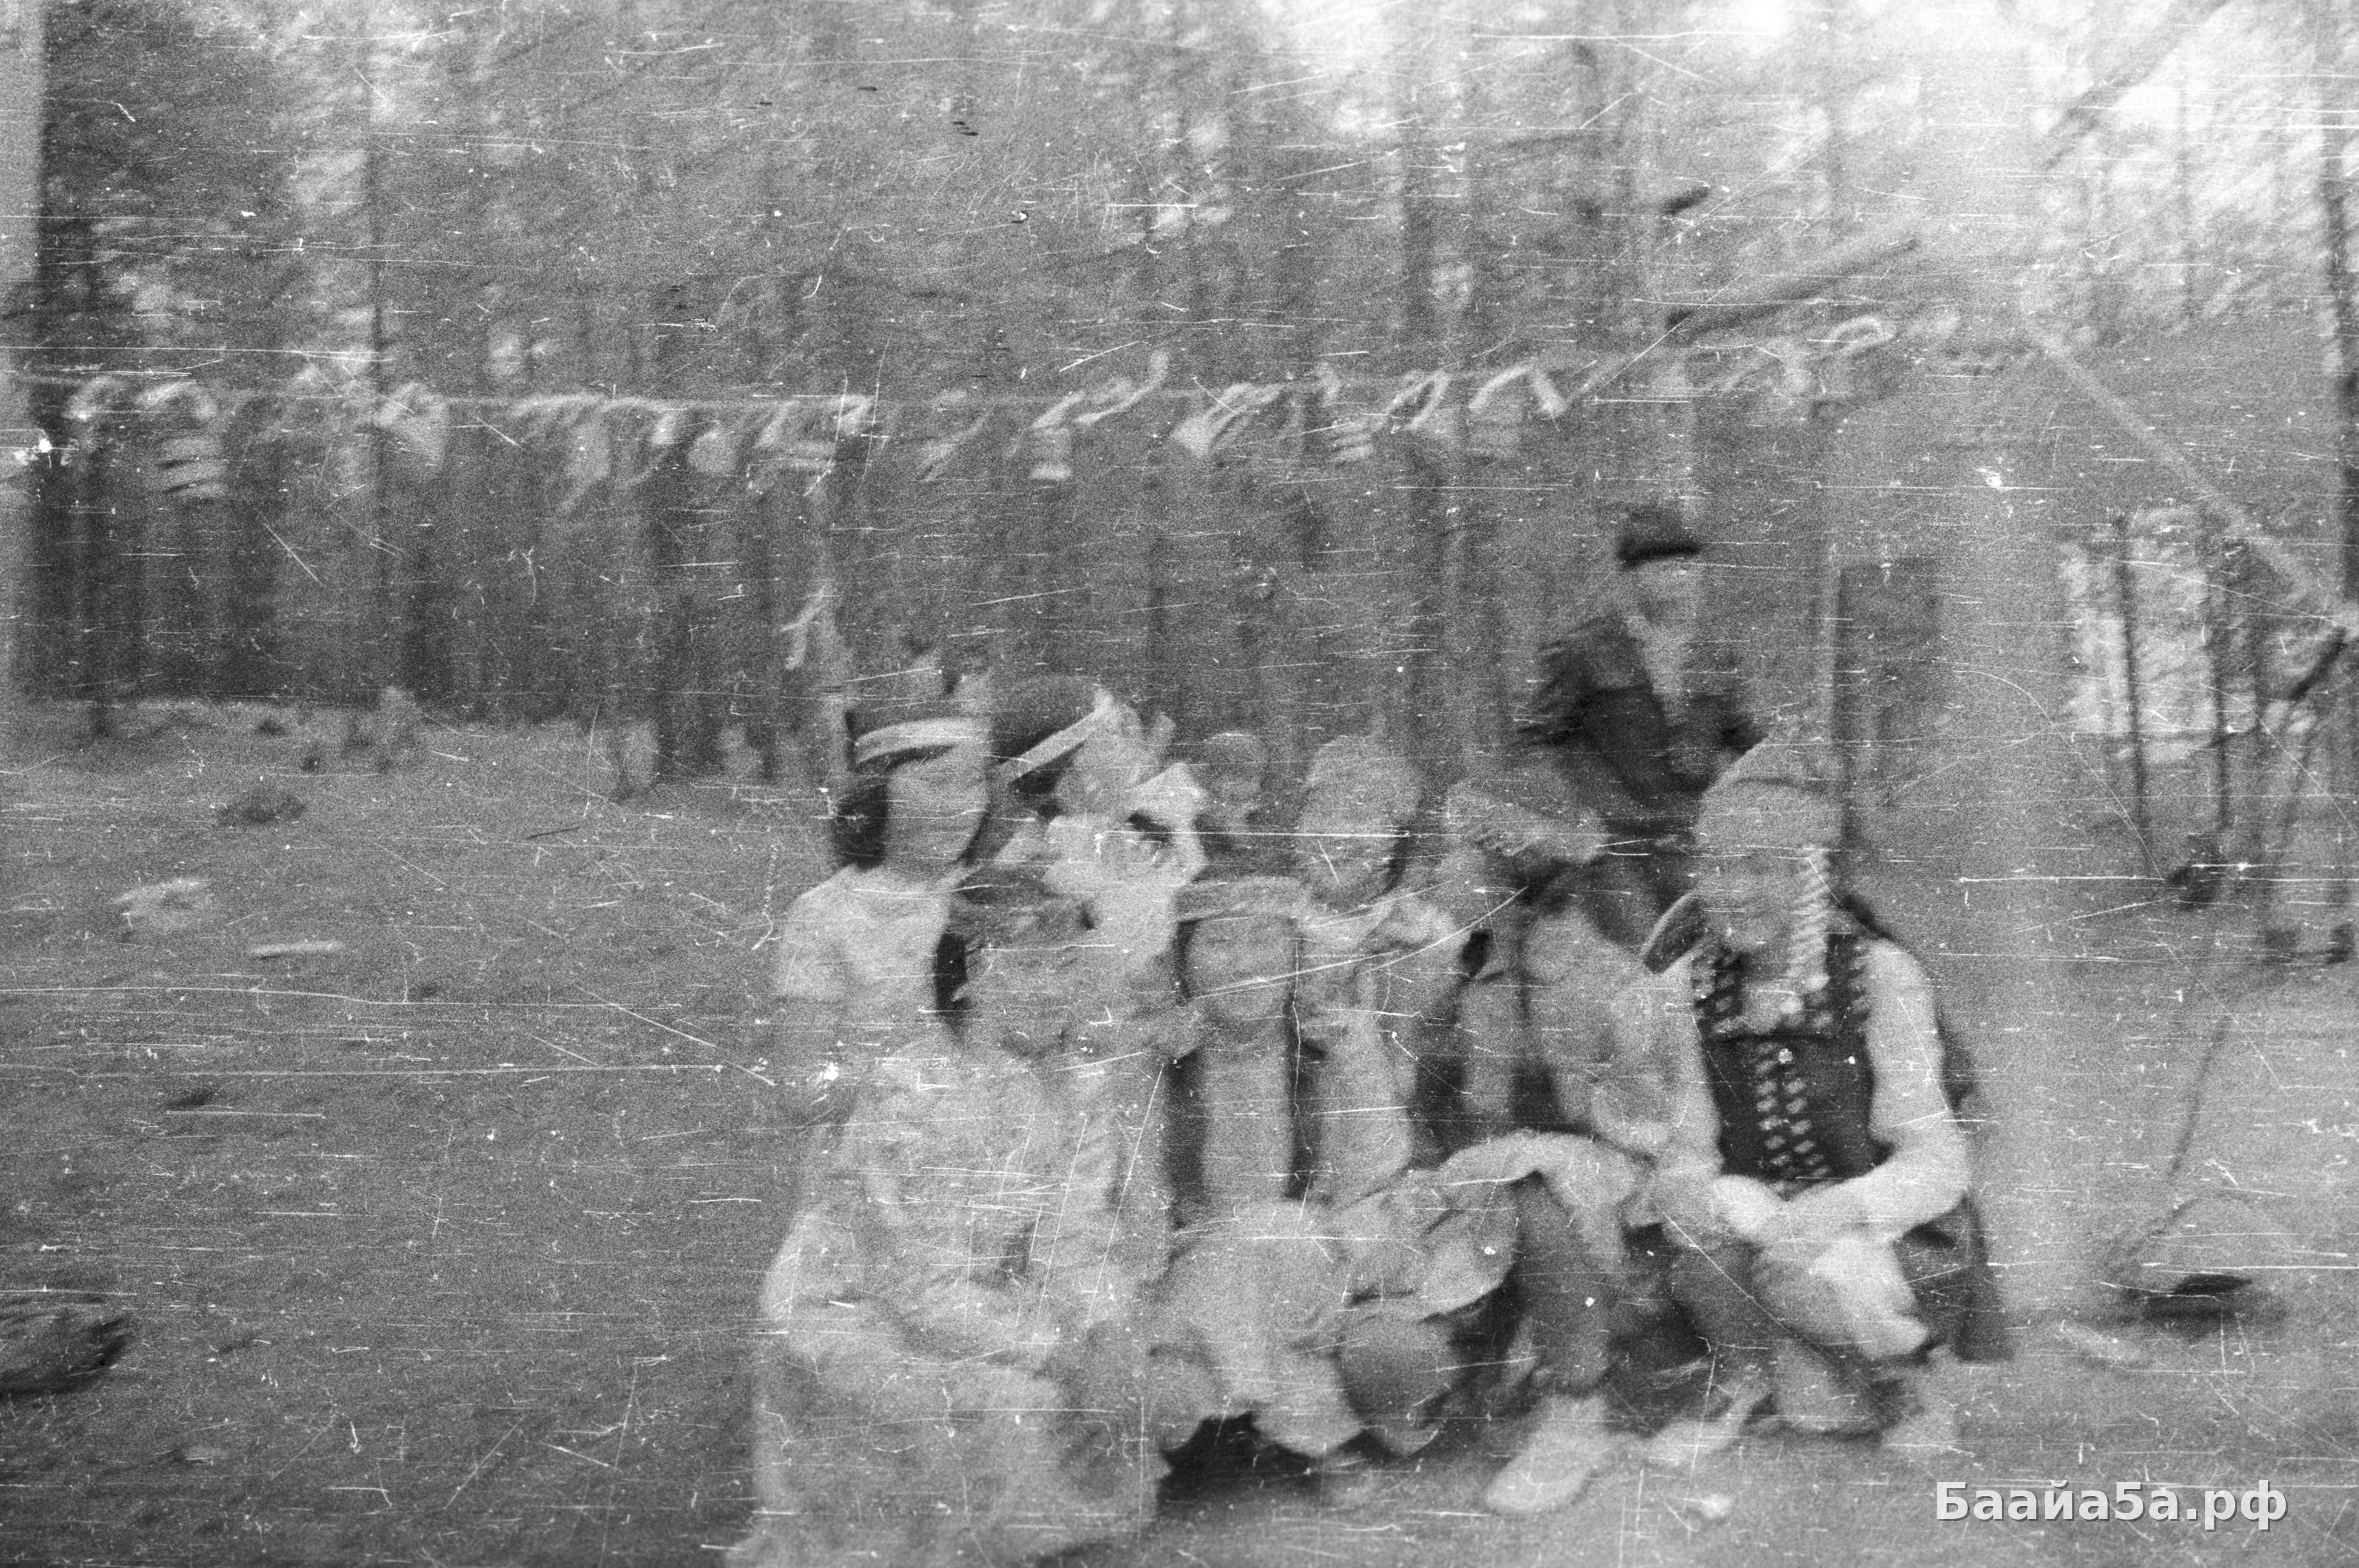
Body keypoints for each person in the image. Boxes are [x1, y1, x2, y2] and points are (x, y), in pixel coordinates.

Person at [735, 765, 1192, 1565]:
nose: (1051, 993)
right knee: (1014, 1408)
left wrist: (1102, 1335)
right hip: (862, 1309)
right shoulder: (911, 1091)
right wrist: (1061, 1355)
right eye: (1023, 970)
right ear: (969, 981)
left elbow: (1073, 1240)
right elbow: (917, 1287)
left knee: (1111, 1386)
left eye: (1065, 967)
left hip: (986, 1297)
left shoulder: (1076, 1087)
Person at [1603, 735, 2011, 1467]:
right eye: (1716, 867)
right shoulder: (1689, 989)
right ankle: (1743, 1378)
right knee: (1695, 1235)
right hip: (1767, 1219)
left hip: (1881, 1226)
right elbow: (1693, 1145)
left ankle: (1901, 1382)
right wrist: (1687, 1191)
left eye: (1760, 868)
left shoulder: (1880, 977)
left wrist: (1834, 1212)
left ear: (1811, 875)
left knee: (1800, 1284)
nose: (1731, 892)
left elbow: (1938, 1162)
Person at [1515, 501, 1764, 951]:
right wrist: (1575, 810)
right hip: (1612, 847)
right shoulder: (1585, 649)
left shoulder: (1715, 656)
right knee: (1645, 959)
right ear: (1632, 578)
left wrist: (1792, 758)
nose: (1680, 580)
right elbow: (1537, 740)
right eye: (1664, 570)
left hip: (1689, 843)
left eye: (1688, 568)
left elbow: (1747, 740)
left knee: (1722, 952)